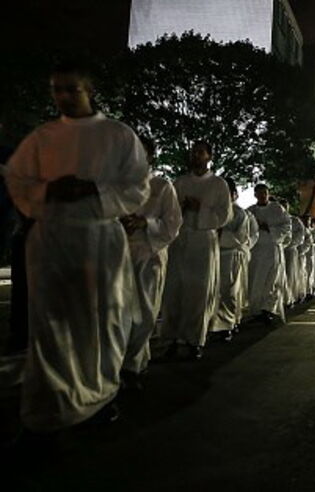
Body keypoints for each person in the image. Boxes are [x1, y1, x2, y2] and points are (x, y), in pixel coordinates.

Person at [5, 61, 150, 430]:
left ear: (89, 90)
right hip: (52, 238)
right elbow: (18, 181)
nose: (64, 97)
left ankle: (100, 397)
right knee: (52, 322)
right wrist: (50, 189)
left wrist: (93, 189)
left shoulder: (118, 135)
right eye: (57, 89)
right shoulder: (42, 137)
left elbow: (137, 187)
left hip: (99, 240)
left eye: (72, 89)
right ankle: (52, 403)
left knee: (100, 320)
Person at [161, 142, 233, 359]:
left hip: (204, 241)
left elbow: (225, 215)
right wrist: (182, 208)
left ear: (209, 156)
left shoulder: (219, 184)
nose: (196, 155)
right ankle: (171, 339)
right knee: (174, 290)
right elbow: (168, 210)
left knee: (199, 292)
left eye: (201, 152)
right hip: (180, 240)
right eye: (194, 152)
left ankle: (195, 341)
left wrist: (200, 209)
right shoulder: (179, 182)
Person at [120, 136, 182, 384]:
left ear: (150, 157)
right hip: (120, 254)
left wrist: (146, 223)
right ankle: (124, 363)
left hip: (150, 253)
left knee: (144, 312)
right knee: (120, 311)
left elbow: (173, 223)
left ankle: (133, 364)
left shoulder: (162, 186)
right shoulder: (117, 187)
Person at [210, 178, 258, 342]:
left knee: (229, 291)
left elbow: (241, 237)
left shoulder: (239, 214)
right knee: (214, 291)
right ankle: (216, 323)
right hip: (213, 255)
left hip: (231, 255)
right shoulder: (214, 211)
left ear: (233, 195)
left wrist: (220, 234)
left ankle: (227, 324)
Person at [247, 185, 291, 323]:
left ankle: (268, 309)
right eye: (259, 193)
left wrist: (269, 229)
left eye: (264, 193)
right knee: (255, 281)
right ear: (255, 195)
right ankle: (256, 310)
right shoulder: (250, 211)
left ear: (268, 194)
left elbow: (286, 226)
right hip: (255, 251)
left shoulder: (277, 209)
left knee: (270, 280)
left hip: (271, 249)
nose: (262, 196)